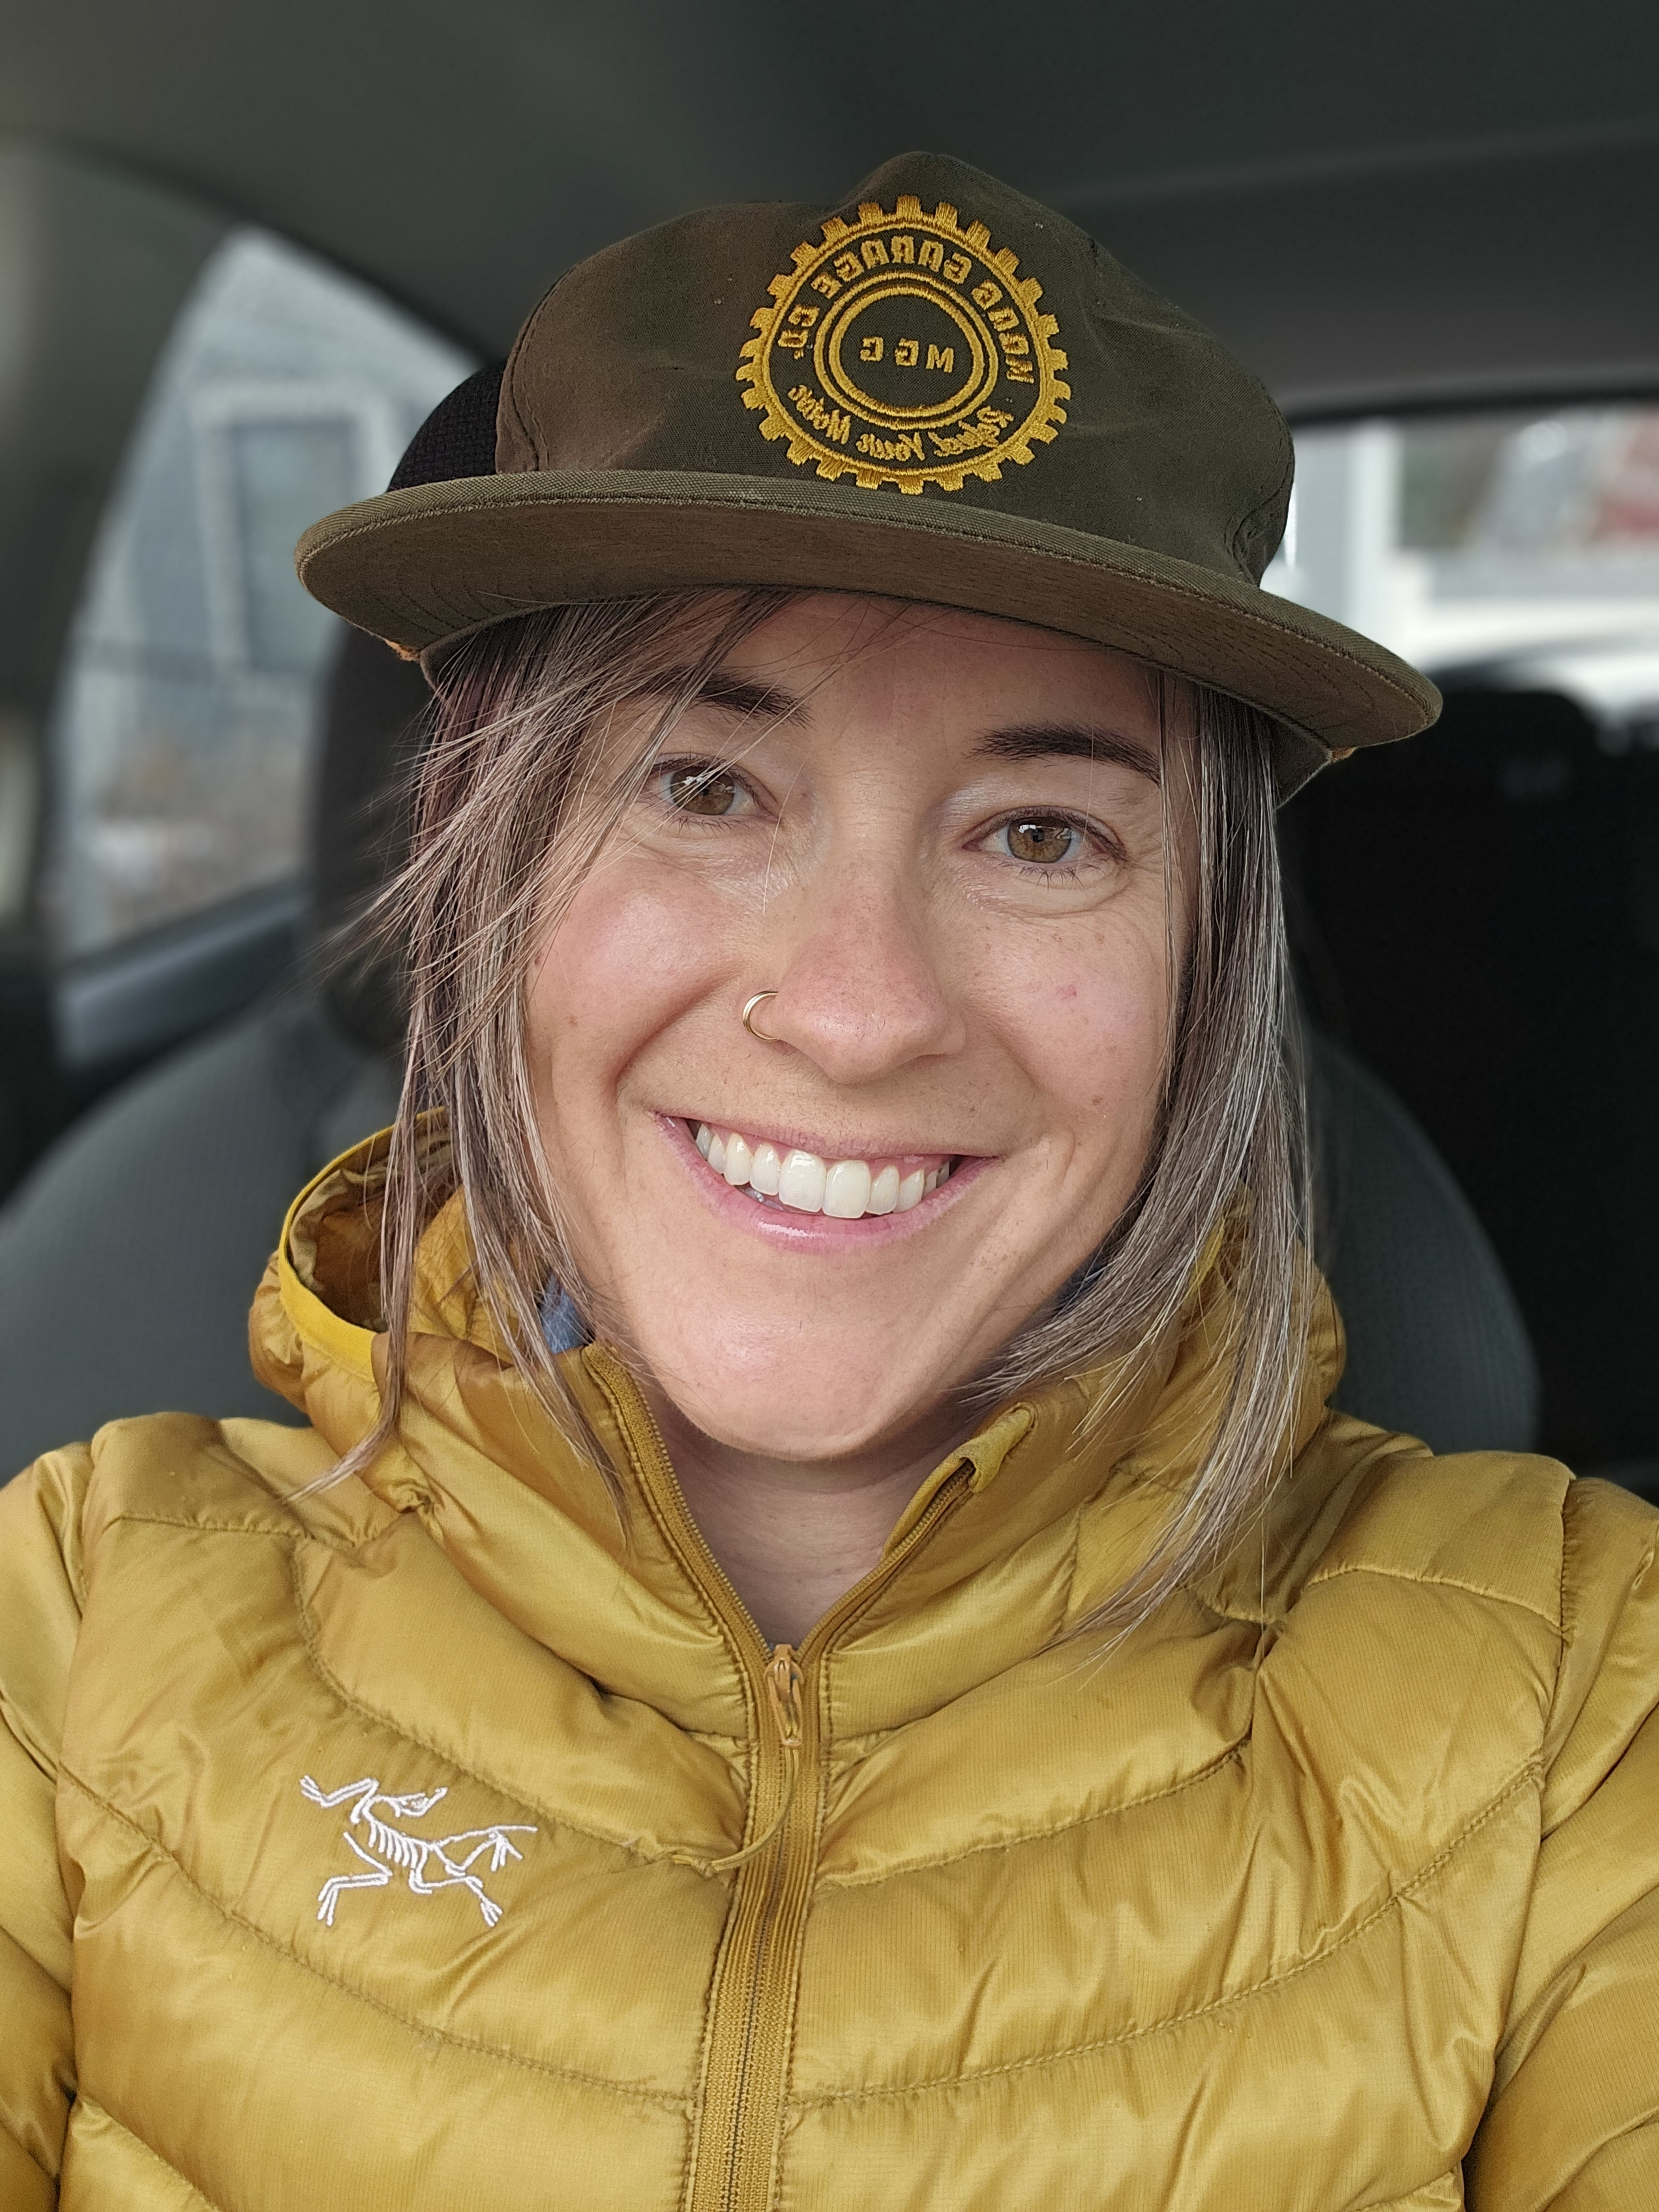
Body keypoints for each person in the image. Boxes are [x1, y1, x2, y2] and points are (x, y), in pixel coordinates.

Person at [1, 152, 1653, 2212]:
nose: (862, 1012)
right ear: (488, 878)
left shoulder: (1579, 1691)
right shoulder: (73, 1621)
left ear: (1206, 960)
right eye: (704, 787)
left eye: (1041, 833)